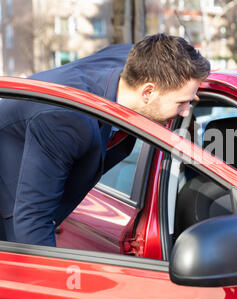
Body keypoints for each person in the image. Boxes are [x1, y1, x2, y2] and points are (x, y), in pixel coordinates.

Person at [0, 33, 210, 246]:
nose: (186, 111)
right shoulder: (68, 120)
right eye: (182, 103)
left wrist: (186, 89)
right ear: (148, 92)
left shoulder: (136, 64)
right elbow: (32, 222)